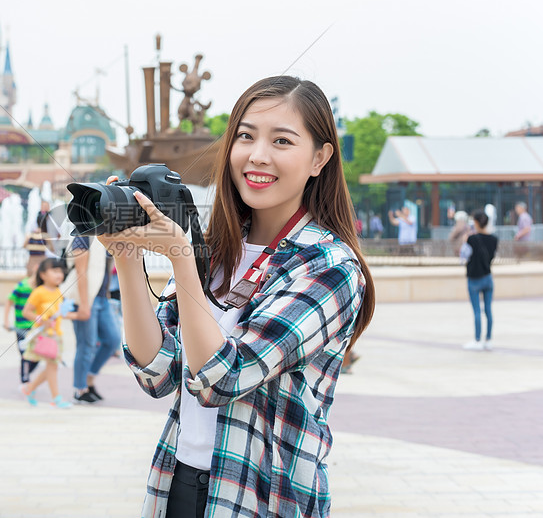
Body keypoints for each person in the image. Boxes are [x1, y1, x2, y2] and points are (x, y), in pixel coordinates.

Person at [98, 76, 375, 517]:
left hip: (264, 496)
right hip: (180, 482)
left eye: (282, 141)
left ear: (320, 158)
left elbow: (225, 377)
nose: (257, 155)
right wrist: (127, 258)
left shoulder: (328, 267)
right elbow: (160, 373)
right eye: (245, 136)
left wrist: (181, 259)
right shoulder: (216, 250)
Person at [67, 235, 120, 405]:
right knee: (86, 344)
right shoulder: (83, 236)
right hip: (85, 298)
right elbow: (80, 272)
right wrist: (84, 304)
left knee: (113, 340)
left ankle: (88, 379)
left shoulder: (106, 236)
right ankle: (80, 389)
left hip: (102, 298)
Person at [19, 257, 78, 409]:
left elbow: (59, 313)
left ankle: (30, 389)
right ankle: (56, 398)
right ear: (43, 274)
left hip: (56, 335)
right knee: (52, 366)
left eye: (61, 271)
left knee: (52, 366)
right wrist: (40, 319)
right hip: (44, 335)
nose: (59, 274)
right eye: (55, 271)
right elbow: (26, 312)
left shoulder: (58, 291)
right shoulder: (39, 292)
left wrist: (78, 315)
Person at [462, 210, 498, 351]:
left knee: (477, 310)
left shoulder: (472, 239)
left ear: (476, 222)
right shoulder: (494, 239)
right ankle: (488, 339)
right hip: (488, 277)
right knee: (488, 310)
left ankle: (477, 340)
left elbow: (464, 252)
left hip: (474, 279)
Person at [4, 258, 41, 385]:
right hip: (21, 327)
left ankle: (25, 373)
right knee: (25, 354)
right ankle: (25, 380)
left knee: (37, 356)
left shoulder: (42, 289)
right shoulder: (22, 286)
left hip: (36, 328)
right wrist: (6, 321)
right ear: (36, 269)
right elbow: (9, 300)